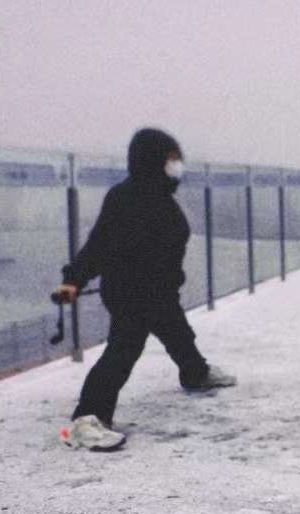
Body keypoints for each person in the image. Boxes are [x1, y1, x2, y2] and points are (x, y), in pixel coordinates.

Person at [55, 128, 235, 451]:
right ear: (152, 161)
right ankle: (86, 420)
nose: (177, 166)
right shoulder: (124, 198)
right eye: (171, 160)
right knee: (123, 351)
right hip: (130, 294)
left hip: (160, 293)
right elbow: (98, 246)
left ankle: (195, 374)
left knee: (179, 334)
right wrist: (73, 280)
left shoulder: (164, 202)